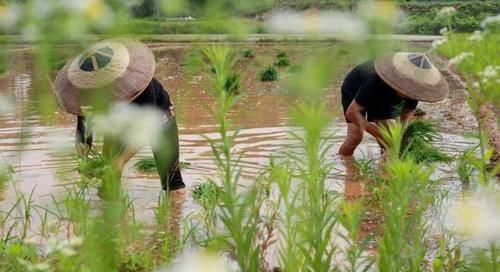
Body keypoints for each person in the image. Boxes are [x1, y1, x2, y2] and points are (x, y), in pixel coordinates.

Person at [53, 38, 185, 195]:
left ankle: (175, 215)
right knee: (108, 183)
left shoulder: (141, 86)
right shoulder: (88, 94)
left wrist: (121, 161)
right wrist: (83, 160)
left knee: (173, 183)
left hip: (158, 119)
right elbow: (83, 132)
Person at [338, 52, 449, 156]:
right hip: (356, 87)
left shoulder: (416, 88)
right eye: (405, 89)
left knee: (391, 144)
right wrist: (379, 134)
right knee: (355, 137)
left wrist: (401, 133)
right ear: (401, 79)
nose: (408, 93)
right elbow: (351, 113)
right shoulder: (374, 78)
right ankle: (346, 165)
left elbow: (407, 112)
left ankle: (386, 172)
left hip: (384, 99)